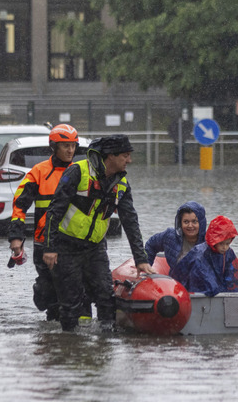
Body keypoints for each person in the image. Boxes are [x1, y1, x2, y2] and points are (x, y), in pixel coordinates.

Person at [42, 134, 154, 332]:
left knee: (106, 295)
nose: (129, 160)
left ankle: (106, 342)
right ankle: (69, 344)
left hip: (95, 248)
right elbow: (54, 211)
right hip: (66, 246)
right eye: (125, 156)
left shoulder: (122, 184)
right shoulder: (78, 172)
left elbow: (131, 222)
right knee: (71, 301)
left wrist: (141, 259)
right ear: (110, 156)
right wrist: (49, 248)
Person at [7, 124, 80, 320]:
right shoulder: (38, 172)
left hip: (73, 241)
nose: (70, 150)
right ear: (54, 147)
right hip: (44, 242)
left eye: (73, 146)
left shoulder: (81, 172)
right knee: (50, 296)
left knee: (73, 295)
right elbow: (19, 206)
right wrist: (16, 237)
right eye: (65, 146)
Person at [171, 215, 238, 297]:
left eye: (227, 243)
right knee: (210, 287)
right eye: (221, 243)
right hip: (188, 288)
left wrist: (233, 295)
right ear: (214, 241)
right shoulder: (200, 254)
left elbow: (234, 275)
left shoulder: (228, 252)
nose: (225, 247)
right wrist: (218, 291)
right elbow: (205, 280)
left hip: (217, 285)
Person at [144, 201, 208, 275]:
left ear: (201, 223)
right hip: (175, 282)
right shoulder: (170, 236)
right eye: (186, 222)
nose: (190, 226)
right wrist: (146, 265)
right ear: (180, 223)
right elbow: (151, 244)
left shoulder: (208, 241)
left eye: (194, 222)